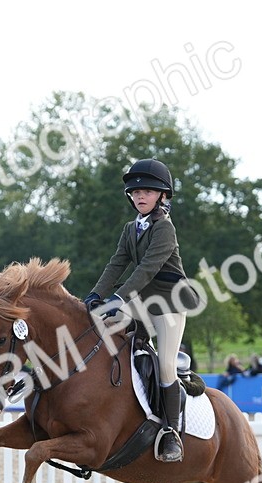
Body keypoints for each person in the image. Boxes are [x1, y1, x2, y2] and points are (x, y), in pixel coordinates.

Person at [83, 157, 203, 462]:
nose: (139, 196)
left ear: (162, 196)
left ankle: (171, 432)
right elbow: (117, 263)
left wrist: (119, 298)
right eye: (135, 193)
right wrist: (96, 294)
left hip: (168, 303)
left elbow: (147, 269)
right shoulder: (130, 229)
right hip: (140, 299)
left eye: (147, 192)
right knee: (101, 327)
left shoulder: (165, 229)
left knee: (164, 366)